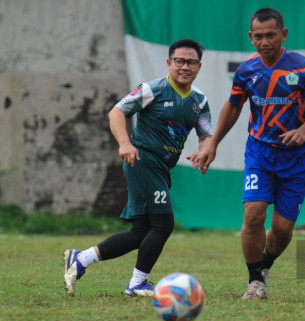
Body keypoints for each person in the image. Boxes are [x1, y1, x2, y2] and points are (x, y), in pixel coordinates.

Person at [190, 8, 305, 299]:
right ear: (250, 37)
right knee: (254, 215)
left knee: (281, 229)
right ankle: (255, 282)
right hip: (260, 153)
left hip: (298, 158)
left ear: (283, 34)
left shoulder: (303, 67)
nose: (265, 41)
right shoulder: (246, 71)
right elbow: (233, 106)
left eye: (271, 35)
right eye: (259, 36)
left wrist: (303, 130)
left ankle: (265, 264)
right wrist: (212, 142)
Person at [63, 39, 213, 297]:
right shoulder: (152, 89)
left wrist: (206, 149)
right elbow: (117, 113)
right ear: (169, 63)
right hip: (142, 161)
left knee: (141, 232)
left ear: (199, 66)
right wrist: (125, 143)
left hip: (162, 168)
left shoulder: (199, 100)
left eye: (191, 62)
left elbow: (206, 134)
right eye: (179, 61)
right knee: (163, 225)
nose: (184, 66)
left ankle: (81, 259)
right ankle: (137, 284)